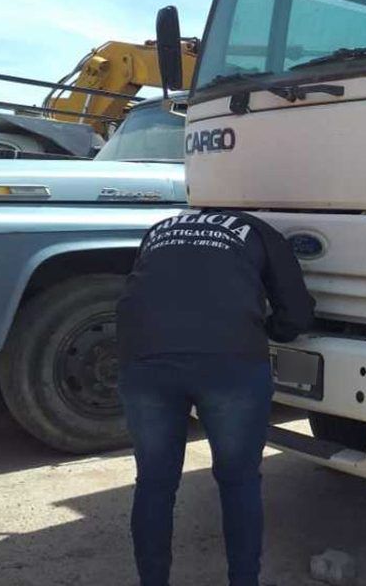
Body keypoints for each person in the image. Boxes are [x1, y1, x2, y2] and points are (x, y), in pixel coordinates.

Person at [116, 210, 315, 586]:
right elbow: (296, 313)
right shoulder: (259, 230)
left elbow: (140, 290)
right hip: (230, 359)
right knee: (239, 480)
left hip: (145, 358)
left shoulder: (162, 228)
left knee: (154, 482)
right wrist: (268, 328)